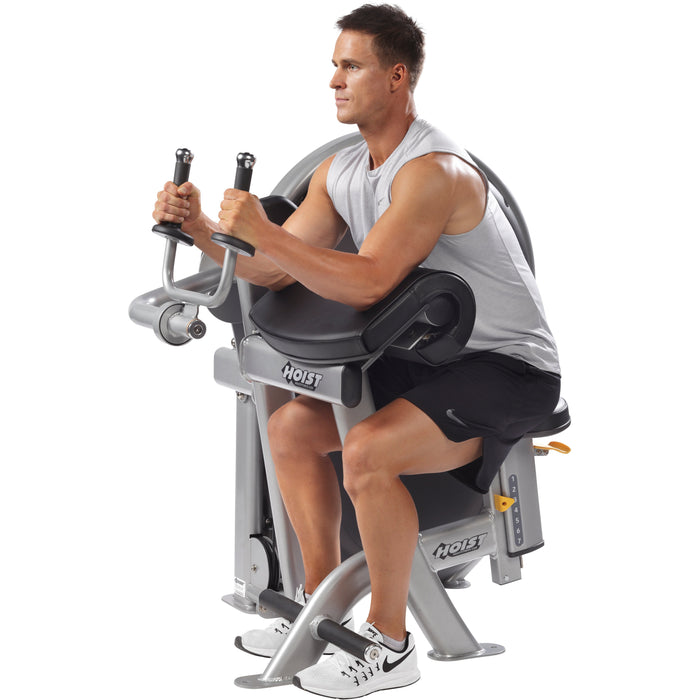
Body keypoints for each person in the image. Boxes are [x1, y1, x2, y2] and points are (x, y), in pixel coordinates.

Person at [153, 4, 561, 696]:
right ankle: (320, 610)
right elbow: (274, 269)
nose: (334, 80)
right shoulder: (341, 170)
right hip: (431, 355)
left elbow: (371, 279)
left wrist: (264, 232)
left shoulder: (433, 172)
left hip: (508, 367)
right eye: (333, 66)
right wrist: (198, 229)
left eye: (352, 66)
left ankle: (390, 645)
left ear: (397, 77)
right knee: (289, 429)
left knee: (368, 451)